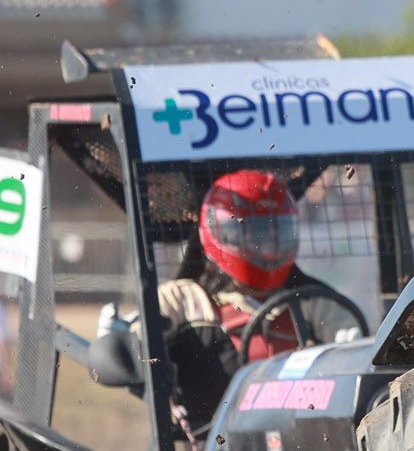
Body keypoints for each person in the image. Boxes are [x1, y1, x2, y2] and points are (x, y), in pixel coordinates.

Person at [154, 169, 367, 431]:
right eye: (254, 234)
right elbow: (136, 343)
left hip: (306, 449)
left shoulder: (313, 301)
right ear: (222, 233)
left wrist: (347, 356)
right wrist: (122, 338)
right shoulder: (183, 300)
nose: (267, 245)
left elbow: (356, 350)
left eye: (275, 232)